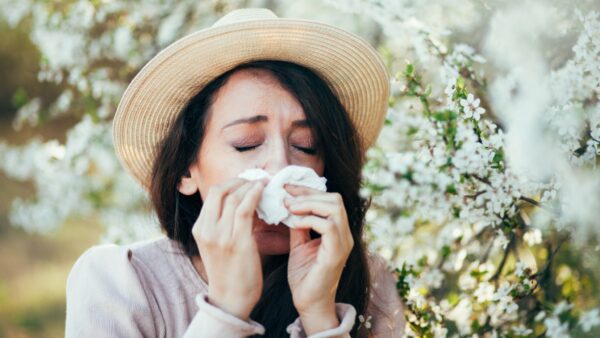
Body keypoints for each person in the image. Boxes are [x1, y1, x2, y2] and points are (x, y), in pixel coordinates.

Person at [65, 7, 405, 338]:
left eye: (305, 145)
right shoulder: (119, 283)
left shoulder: (370, 283)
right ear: (185, 170)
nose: (282, 167)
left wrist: (320, 315)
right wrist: (226, 311)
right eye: (246, 144)